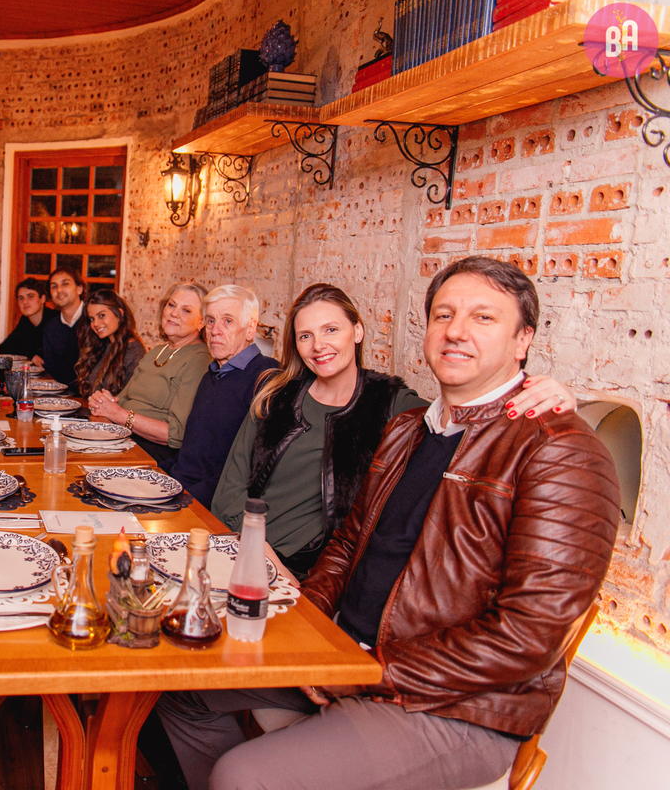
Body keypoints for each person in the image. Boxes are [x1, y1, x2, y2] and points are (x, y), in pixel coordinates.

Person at [158, 257, 620, 790]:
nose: (457, 331)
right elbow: (348, 542)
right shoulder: (408, 429)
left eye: (484, 318)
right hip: (349, 656)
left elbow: (528, 636)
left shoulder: (560, 450)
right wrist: (315, 634)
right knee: (181, 688)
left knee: (241, 776)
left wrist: (372, 669)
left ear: (524, 341)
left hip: (451, 706)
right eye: (443, 314)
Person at [211, 283, 578, 577]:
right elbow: (229, 489)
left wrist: (552, 397)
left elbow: (469, 425)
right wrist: (257, 550)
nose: (318, 345)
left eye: (331, 329)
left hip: (314, 575)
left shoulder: (392, 405)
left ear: (357, 331)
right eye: (305, 336)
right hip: (241, 550)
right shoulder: (276, 395)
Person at [166, 285, 278, 509]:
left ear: (250, 329)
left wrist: (181, 499)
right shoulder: (214, 373)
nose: (215, 330)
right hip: (179, 486)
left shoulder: (267, 378)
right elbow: (191, 455)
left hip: (208, 503)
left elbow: (247, 475)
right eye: (210, 321)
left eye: (228, 321)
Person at [88, 282, 212, 463]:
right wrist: (102, 402)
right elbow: (121, 401)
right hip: (121, 439)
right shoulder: (157, 351)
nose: (174, 313)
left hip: (152, 454)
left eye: (186, 310)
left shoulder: (199, 359)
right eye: (171, 305)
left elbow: (176, 434)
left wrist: (119, 415)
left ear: (201, 321)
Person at [74, 289, 146, 397]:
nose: (95, 324)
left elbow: (131, 400)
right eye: (92, 319)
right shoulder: (101, 345)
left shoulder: (134, 351)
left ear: (119, 314)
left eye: (101, 315)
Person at [37, 267, 87, 388]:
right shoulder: (51, 328)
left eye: (65, 284)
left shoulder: (94, 320)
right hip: (64, 398)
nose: (59, 290)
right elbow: (52, 371)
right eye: (54, 286)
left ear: (79, 289)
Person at [0, 277, 56, 359]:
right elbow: (4, 348)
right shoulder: (25, 320)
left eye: (30, 296)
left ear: (42, 299)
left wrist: (29, 353)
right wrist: (31, 354)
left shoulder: (55, 320)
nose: (24, 302)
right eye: (21, 298)